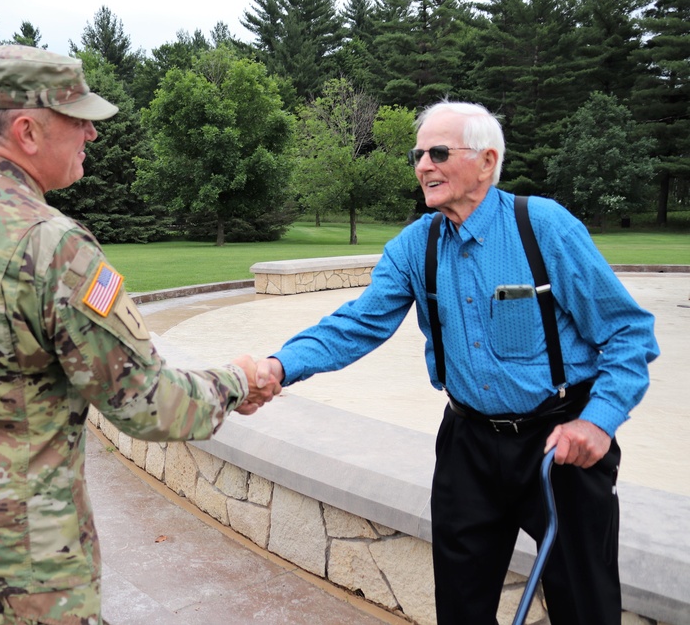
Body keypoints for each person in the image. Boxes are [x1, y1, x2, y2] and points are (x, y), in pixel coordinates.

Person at [0, 45, 280, 625]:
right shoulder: (51, 244)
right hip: (29, 562)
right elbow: (147, 404)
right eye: (78, 119)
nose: (92, 133)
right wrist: (240, 379)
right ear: (27, 131)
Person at [255, 101, 659, 625]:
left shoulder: (544, 227)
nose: (423, 164)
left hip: (561, 444)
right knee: (461, 609)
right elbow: (356, 324)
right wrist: (279, 365)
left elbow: (628, 332)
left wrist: (599, 422)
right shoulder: (412, 247)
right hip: (467, 444)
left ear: (487, 162)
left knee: (584, 605)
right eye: (418, 153)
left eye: (439, 152)